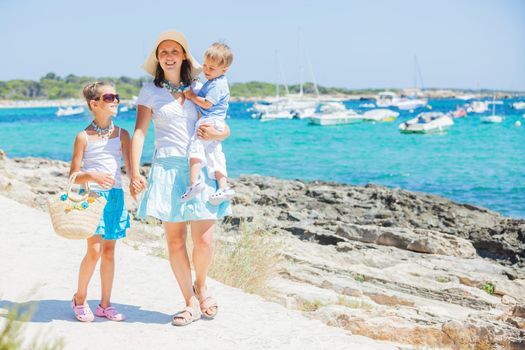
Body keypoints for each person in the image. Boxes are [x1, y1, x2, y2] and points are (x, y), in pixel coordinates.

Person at [130, 30, 231, 326]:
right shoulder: (149, 91)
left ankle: (202, 285)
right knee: (175, 242)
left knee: (204, 241)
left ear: (184, 55)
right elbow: (139, 133)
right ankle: (189, 301)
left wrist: (222, 132)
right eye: (164, 52)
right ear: (158, 58)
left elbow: (223, 125)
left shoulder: (202, 85)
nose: (169, 55)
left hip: (199, 166)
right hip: (166, 168)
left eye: (175, 50)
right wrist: (135, 171)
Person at [69, 81, 131, 322]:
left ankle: (105, 305)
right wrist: (92, 175)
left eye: (116, 96)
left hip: (115, 197)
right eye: (109, 97)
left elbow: (131, 165)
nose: (115, 100)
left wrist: (137, 180)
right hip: (92, 198)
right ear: (94, 104)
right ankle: (80, 298)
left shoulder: (122, 134)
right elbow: (73, 176)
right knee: (94, 251)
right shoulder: (83, 137)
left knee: (109, 252)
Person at [181, 42, 235, 205]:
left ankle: (194, 183)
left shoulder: (217, 84)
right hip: (217, 122)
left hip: (209, 121)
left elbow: (206, 104)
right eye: (204, 65)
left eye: (211, 68)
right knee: (215, 155)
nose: (206, 70)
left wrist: (190, 95)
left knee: (195, 148)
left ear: (224, 70)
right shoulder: (214, 82)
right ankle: (223, 187)